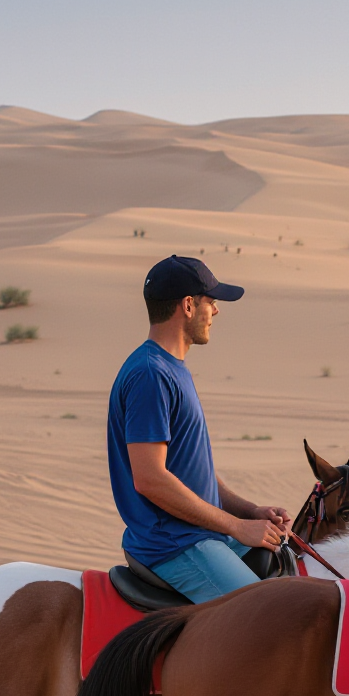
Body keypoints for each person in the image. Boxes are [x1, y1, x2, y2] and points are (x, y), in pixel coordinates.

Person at [107, 255, 291, 601]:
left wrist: (249, 512)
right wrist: (238, 527)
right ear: (188, 305)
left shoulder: (171, 367)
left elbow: (190, 472)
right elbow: (150, 479)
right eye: (211, 301)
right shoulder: (151, 374)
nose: (216, 311)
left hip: (202, 534)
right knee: (270, 612)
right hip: (175, 545)